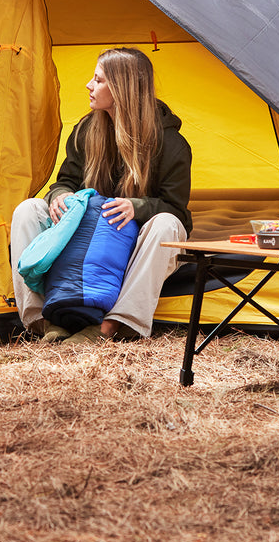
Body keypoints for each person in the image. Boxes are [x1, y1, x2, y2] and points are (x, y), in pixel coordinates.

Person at [10, 47, 192, 344]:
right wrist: (61, 195)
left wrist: (137, 207)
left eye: (98, 80)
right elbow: (65, 180)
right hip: (80, 245)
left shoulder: (170, 143)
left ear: (122, 89)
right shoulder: (86, 129)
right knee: (28, 209)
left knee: (167, 225)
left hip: (133, 244)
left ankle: (112, 326)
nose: (88, 85)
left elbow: (178, 211)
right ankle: (44, 321)